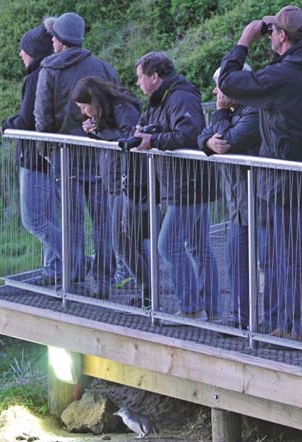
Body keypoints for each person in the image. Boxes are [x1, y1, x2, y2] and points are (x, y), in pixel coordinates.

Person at [218, 5, 302, 344]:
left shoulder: (284, 75)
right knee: (287, 253)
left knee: (288, 255)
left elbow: (229, 82)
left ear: (280, 37)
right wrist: (276, 30)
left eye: (274, 32)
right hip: (301, 170)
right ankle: (294, 323)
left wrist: (244, 40)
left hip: (282, 175)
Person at [35, 12, 119, 297]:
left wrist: (46, 151)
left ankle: (73, 281)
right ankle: (104, 280)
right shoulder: (103, 68)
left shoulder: (50, 70)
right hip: (100, 155)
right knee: (103, 221)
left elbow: (42, 116)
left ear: (59, 41)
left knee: (71, 222)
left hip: (65, 156)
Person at [133, 51, 220, 322]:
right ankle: (211, 310)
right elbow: (167, 130)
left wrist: (153, 140)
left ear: (155, 77)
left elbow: (187, 135)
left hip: (189, 183)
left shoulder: (179, 97)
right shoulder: (163, 98)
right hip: (184, 182)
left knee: (168, 244)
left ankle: (192, 307)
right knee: (197, 246)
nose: (138, 84)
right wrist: (146, 133)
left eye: (140, 78)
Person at [72, 77, 152, 309]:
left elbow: (129, 138)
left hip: (128, 181)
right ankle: (147, 290)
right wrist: (95, 131)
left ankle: (148, 288)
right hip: (114, 181)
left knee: (123, 241)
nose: (84, 113)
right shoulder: (107, 113)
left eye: (85, 107)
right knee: (128, 240)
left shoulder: (121, 107)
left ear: (94, 101)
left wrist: (100, 133)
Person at [198, 66, 261, 329]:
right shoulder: (230, 112)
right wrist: (207, 143)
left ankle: (262, 321)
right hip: (237, 205)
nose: (215, 92)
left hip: (258, 202)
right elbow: (205, 135)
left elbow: (229, 139)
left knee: (263, 264)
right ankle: (240, 317)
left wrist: (220, 117)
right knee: (236, 263)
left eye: (220, 86)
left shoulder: (255, 110)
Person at [1, 25, 57, 286]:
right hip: (50, 156)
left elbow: (26, 120)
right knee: (48, 217)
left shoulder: (35, 78)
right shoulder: (52, 72)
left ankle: (73, 257)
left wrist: (6, 124)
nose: (21, 54)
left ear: (34, 52)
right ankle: (55, 268)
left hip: (34, 157)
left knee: (33, 219)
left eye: (24, 50)